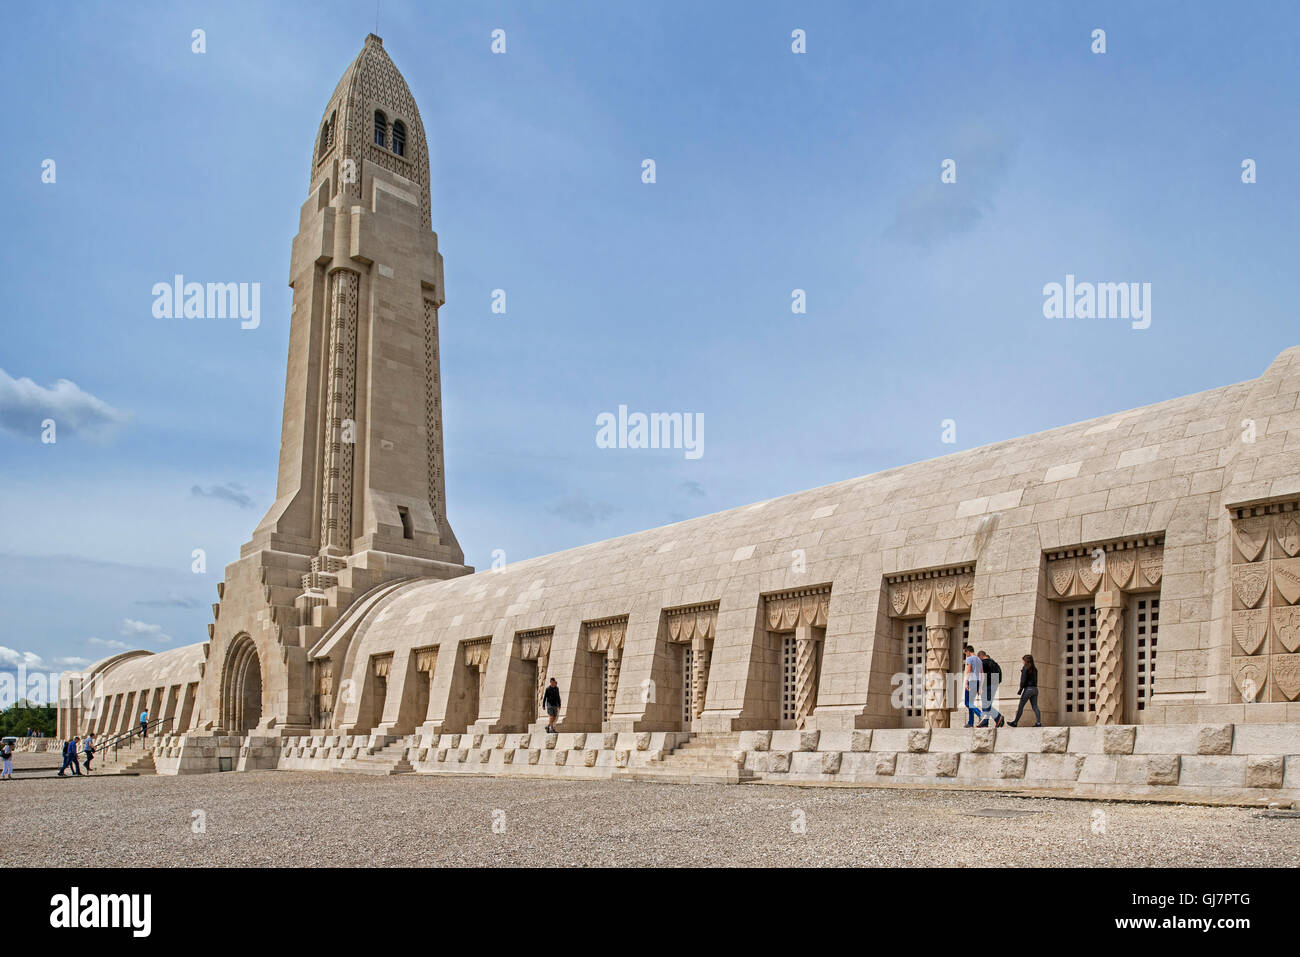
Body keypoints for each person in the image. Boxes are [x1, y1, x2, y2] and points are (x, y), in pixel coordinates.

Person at [1008, 654, 1042, 727]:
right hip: (1035, 689)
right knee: (1035, 706)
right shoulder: (1034, 669)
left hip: (1028, 689)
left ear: (1025, 661)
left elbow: (1023, 680)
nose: (1022, 662)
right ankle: (1038, 722)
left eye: (1023, 660)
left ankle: (1015, 722)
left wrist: (1020, 689)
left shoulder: (1025, 668)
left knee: (1021, 706)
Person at [976, 651, 1005, 727]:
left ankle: (998, 717)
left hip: (986, 686)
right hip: (994, 685)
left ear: (980, 656)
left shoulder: (983, 663)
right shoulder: (995, 664)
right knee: (987, 705)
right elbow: (1000, 676)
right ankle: (985, 723)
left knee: (986, 705)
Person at [962, 644, 983, 727]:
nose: (966, 655)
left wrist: (966, 682)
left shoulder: (969, 659)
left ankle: (980, 714)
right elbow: (982, 673)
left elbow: (969, 671)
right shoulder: (979, 660)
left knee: (967, 702)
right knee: (971, 703)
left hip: (971, 681)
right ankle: (971, 722)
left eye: (966, 653)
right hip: (977, 681)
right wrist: (980, 686)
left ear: (968, 651)